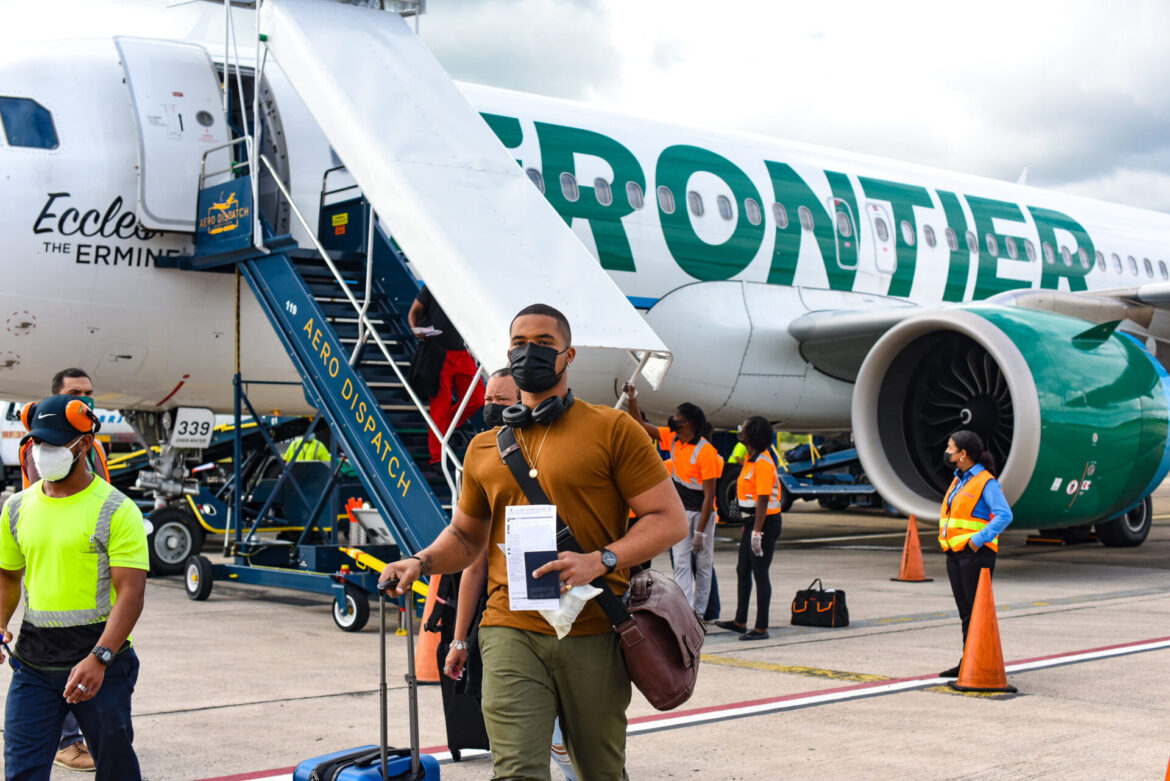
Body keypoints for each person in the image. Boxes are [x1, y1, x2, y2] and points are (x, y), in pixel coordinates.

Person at [381, 303, 687, 780]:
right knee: (517, 772)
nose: (530, 352)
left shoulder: (613, 429)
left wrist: (600, 559)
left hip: (593, 629)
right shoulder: (484, 448)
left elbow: (669, 521)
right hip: (509, 628)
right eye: (520, 343)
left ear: (569, 356)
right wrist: (420, 561)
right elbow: (465, 537)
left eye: (544, 343)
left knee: (599, 771)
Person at [0, 394, 149, 780]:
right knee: (21, 770)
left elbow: (131, 593)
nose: (43, 452)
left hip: (101, 661)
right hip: (33, 662)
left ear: (84, 443)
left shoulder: (116, 509)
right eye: (38, 443)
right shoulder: (16, 508)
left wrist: (100, 657)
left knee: (115, 769)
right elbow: (7, 575)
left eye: (54, 443)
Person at [444, 367, 577, 780]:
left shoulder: (562, 460)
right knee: (522, 754)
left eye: (501, 402)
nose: (491, 409)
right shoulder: (480, 461)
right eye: (487, 401)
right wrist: (459, 638)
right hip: (511, 626)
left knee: (586, 753)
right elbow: (474, 565)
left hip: (573, 622)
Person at [17, 368, 107, 772]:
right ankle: (66, 741)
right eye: (75, 393)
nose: (85, 399)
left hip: (91, 574)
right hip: (53, 567)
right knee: (59, 666)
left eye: (88, 393)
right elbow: (51, 496)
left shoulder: (94, 446)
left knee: (90, 660)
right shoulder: (40, 448)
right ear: (57, 397)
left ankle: (79, 734)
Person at [621, 386, 721, 616]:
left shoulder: (706, 452)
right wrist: (633, 397)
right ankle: (686, 612)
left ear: (688, 422)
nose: (673, 419)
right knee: (682, 564)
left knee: (703, 567)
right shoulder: (672, 438)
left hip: (703, 513)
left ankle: (702, 612)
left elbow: (709, 496)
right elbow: (639, 422)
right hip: (683, 512)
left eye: (678, 416)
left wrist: (701, 533)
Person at [937, 429, 1014, 678]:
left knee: (976, 613)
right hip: (956, 554)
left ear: (963, 454)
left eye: (951, 448)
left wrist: (977, 540)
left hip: (976, 555)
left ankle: (977, 662)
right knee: (966, 613)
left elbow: (1004, 514)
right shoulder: (959, 479)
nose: (947, 452)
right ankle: (967, 661)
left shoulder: (986, 482)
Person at [715, 416, 782, 641]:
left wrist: (757, 532)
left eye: (743, 429)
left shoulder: (763, 463)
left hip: (764, 523)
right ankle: (740, 621)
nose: (739, 431)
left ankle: (761, 627)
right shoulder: (750, 460)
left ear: (752, 436)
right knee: (742, 570)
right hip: (751, 521)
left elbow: (763, 501)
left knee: (760, 573)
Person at [408, 285, 485, 465]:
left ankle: (444, 430)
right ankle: (437, 457)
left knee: (478, 398)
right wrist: (416, 331)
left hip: (461, 352)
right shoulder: (433, 284)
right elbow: (414, 311)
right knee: (440, 406)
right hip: (437, 352)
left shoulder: (466, 287)